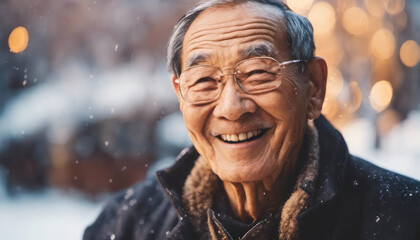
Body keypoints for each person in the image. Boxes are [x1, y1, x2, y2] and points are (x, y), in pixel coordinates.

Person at [83, 0, 420, 239]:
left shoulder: (404, 217)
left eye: (258, 73)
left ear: (313, 87)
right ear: (180, 95)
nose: (231, 107)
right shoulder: (126, 224)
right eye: (203, 81)